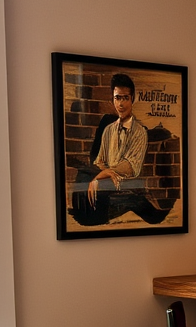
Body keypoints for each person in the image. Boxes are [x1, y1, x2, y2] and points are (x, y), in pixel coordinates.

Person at [71, 73, 171, 227]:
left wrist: (103, 174)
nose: (121, 104)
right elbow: (99, 160)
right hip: (108, 181)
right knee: (84, 183)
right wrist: (106, 172)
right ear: (113, 99)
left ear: (132, 99)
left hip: (126, 183)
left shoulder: (140, 132)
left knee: (152, 217)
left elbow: (131, 167)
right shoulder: (108, 130)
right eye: (117, 98)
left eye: (125, 98)